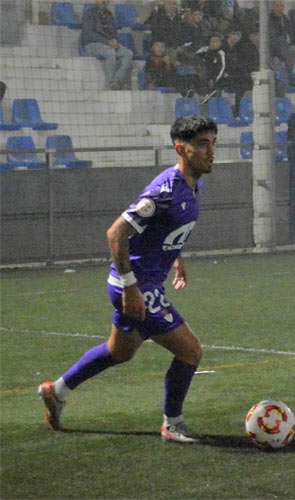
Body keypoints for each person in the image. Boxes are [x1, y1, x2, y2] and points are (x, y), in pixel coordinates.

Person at [38, 116, 219, 443]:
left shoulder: (194, 185)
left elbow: (161, 230)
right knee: (191, 352)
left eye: (213, 143)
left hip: (143, 283)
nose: (211, 151)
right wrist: (130, 286)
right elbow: (116, 233)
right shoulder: (164, 191)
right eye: (202, 144)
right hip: (139, 287)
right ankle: (173, 424)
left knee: (119, 352)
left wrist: (175, 256)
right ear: (181, 149)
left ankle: (57, 391)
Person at [79, 0, 133, 90]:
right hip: (92, 44)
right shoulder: (89, 13)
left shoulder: (109, 14)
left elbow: (113, 32)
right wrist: (107, 42)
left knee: (128, 53)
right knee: (110, 52)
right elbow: (88, 35)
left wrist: (114, 40)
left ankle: (116, 81)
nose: (104, 1)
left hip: (108, 44)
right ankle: (109, 85)